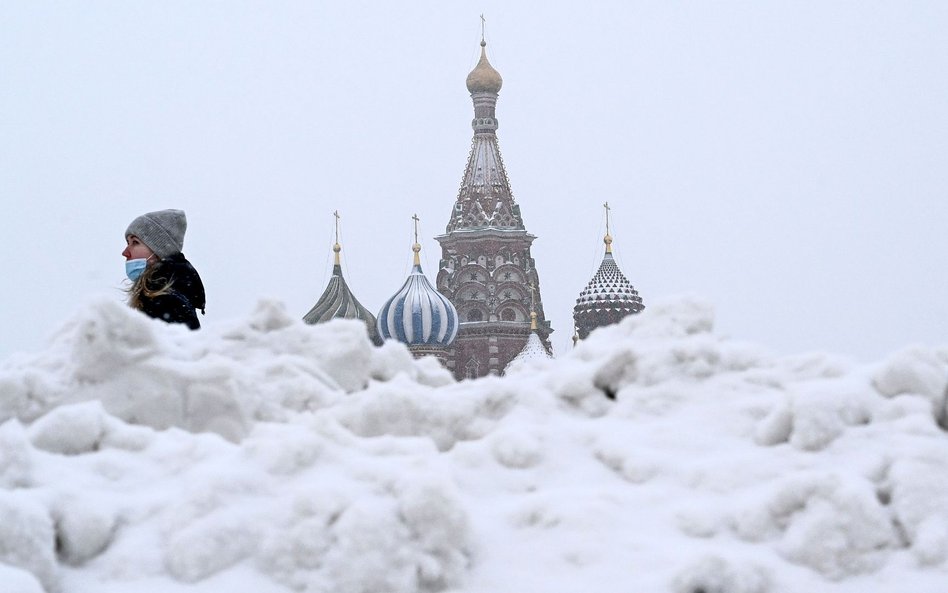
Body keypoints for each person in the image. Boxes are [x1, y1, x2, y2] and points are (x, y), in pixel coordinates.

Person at [122, 209, 206, 329]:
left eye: (135, 242)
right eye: (127, 243)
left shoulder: (165, 303)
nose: (125, 253)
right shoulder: (164, 298)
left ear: (159, 250)